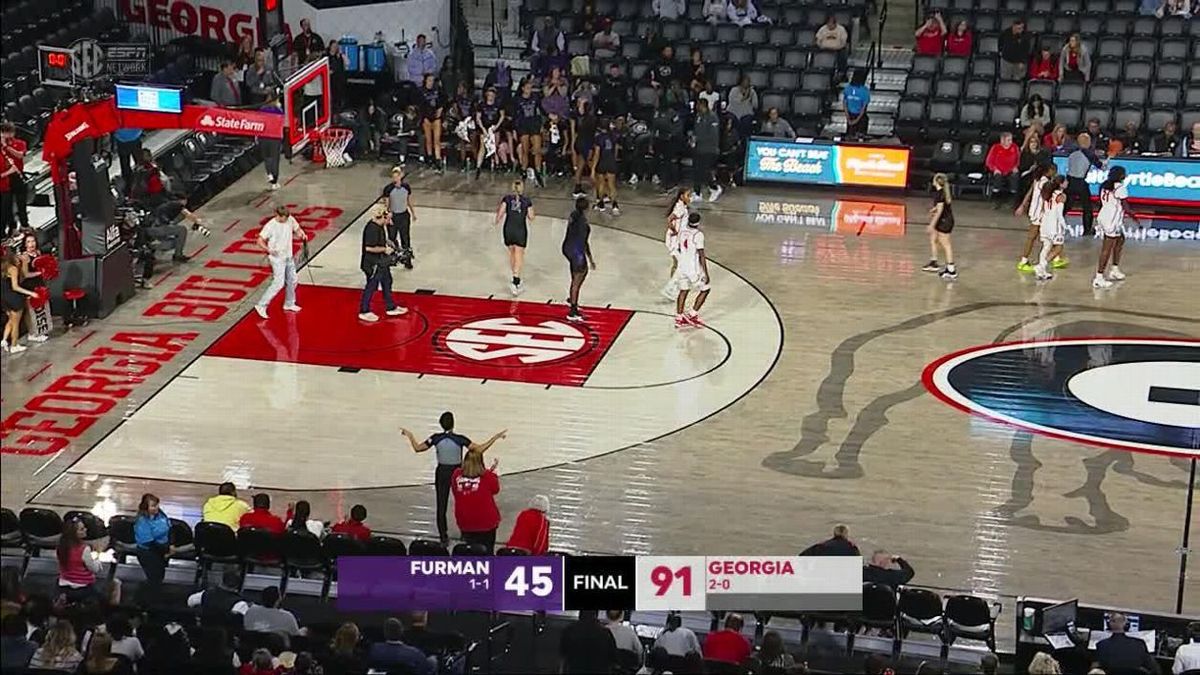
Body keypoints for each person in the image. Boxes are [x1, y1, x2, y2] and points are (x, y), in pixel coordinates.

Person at [401, 413, 506, 546]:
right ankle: (464, 532)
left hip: (442, 473)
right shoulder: (459, 439)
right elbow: (479, 449)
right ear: (453, 423)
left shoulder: (435, 438)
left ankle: (443, 536)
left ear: (440, 424)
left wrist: (410, 435)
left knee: (441, 505)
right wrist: (495, 437)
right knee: (463, 500)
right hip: (458, 472)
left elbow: (417, 448)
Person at [253, 205, 307, 319]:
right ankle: (261, 305)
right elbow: (259, 240)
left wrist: (302, 234)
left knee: (293, 280)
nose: (286, 220)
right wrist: (269, 250)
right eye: (284, 218)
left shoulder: (290, 219)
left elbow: (297, 229)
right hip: (277, 259)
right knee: (278, 283)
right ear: (278, 215)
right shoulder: (270, 225)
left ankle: (289, 303)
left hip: (288, 256)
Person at [359, 204, 408, 322]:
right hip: (372, 263)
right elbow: (369, 248)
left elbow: (380, 239)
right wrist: (384, 249)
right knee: (371, 286)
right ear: (383, 217)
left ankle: (390, 307)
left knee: (387, 281)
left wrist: (388, 242)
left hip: (381, 262)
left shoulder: (380, 226)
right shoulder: (372, 229)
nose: (390, 221)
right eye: (388, 219)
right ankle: (364, 310)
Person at [1094, 166, 1139, 290]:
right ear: (1120, 176)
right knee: (1106, 248)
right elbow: (1126, 207)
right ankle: (1099, 277)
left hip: (1104, 215)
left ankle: (1114, 269)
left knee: (1120, 239)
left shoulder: (1104, 186)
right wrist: (1135, 218)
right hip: (1111, 219)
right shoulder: (1120, 187)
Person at [450, 449, 502, 551]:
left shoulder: (456, 474)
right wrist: (492, 473)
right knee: (487, 551)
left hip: (465, 521)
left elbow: (455, 491)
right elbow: (495, 490)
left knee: (470, 549)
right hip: (487, 522)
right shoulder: (488, 476)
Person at [495, 180, 535, 296]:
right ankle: (515, 280)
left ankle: (515, 277)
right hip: (520, 230)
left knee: (512, 253)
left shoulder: (507, 199)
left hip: (508, 229)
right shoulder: (526, 201)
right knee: (519, 254)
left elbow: (500, 214)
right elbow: (531, 217)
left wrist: (496, 221)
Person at [1015, 161, 1057, 272]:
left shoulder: (1037, 180)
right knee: (1035, 237)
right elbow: (1044, 198)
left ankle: (1056, 257)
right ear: (1049, 171)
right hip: (1039, 213)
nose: (1055, 172)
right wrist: (1046, 213)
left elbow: (1029, 193)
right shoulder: (1045, 183)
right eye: (1054, 170)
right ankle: (1024, 260)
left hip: (1034, 211)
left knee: (1044, 236)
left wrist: (1022, 206)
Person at [133, 493, 174, 605]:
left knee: (159, 577)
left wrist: (171, 545)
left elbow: (170, 529)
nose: (156, 508)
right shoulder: (142, 521)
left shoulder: (161, 515)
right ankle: (143, 602)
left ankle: (153, 600)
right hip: (148, 553)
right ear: (145, 507)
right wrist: (165, 552)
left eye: (156, 505)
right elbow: (149, 541)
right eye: (152, 506)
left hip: (162, 551)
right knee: (154, 579)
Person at [672, 213, 711, 329]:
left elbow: (679, 247)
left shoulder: (682, 231)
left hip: (681, 267)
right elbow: (701, 255)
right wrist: (706, 272)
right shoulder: (698, 235)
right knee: (706, 289)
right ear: (698, 222)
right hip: (693, 270)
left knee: (683, 290)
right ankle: (693, 314)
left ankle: (679, 317)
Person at [562, 196, 596, 323]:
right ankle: (573, 310)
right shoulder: (583, 224)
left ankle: (572, 297)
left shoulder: (574, 215)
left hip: (567, 247)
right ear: (586, 208)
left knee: (575, 273)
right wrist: (589, 258)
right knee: (580, 274)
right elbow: (583, 242)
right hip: (576, 250)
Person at [56, 517, 105, 602]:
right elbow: (95, 569)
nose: (85, 530)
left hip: (63, 584)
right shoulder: (84, 549)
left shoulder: (61, 546)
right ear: (74, 533)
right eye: (82, 529)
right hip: (82, 587)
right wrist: (97, 555)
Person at [1065, 133, 1104, 236]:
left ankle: (1055, 223)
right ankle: (1087, 230)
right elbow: (1100, 166)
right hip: (1081, 182)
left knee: (1066, 206)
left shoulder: (1072, 152)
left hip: (1070, 180)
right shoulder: (1089, 154)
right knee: (1087, 207)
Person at [151, 192, 206, 263]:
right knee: (182, 230)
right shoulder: (177, 205)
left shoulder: (169, 205)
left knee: (174, 241)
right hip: (158, 227)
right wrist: (197, 222)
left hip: (156, 227)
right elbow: (188, 214)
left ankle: (151, 249)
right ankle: (178, 255)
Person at [1095, 613, 1159, 674]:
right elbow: (1154, 669)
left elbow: (1096, 668)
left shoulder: (1101, 645)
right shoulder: (1139, 644)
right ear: (1125, 623)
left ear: (1109, 624)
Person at [368, 618, 434, 675]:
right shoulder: (415, 654)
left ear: (385, 632)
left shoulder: (374, 650)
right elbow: (423, 670)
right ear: (401, 631)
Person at [559, 610, 617, 674]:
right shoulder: (605, 633)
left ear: (580, 614)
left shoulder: (569, 631)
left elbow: (563, 655)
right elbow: (613, 658)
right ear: (596, 615)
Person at [922, 174, 957, 280]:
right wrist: (934, 209)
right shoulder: (941, 193)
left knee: (946, 244)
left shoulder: (940, 194)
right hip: (945, 220)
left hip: (944, 221)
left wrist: (931, 225)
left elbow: (940, 210)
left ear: (936, 181)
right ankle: (935, 262)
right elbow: (940, 207)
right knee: (934, 239)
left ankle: (951, 270)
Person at [381, 166, 417, 270]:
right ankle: (393, 258)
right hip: (393, 216)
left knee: (405, 238)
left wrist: (413, 213)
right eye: (394, 177)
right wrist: (388, 217)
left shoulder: (406, 187)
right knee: (392, 238)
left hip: (404, 215)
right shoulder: (388, 189)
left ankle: (407, 260)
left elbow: (409, 201)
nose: (396, 179)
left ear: (401, 176)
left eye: (397, 176)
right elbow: (386, 205)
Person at [1, 251, 37, 354]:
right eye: (18, 258)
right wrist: (31, 293)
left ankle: (4, 340)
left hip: (4, 298)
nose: (19, 259)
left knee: (11, 320)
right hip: (14, 298)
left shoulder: (3, 268)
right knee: (16, 324)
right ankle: (14, 345)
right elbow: (15, 286)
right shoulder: (13, 269)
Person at [1034, 176, 1068, 282]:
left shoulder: (1048, 193)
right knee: (1058, 248)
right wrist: (1065, 226)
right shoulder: (1061, 196)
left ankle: (1041, 271)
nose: (1067, 183)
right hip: (1055, 225)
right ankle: (1041, 266)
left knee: (1046, 246)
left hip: (1045, 223)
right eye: (1066, 181)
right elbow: (1059, 214)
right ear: (1061, 184)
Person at [514, 80, 546, 187]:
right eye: (527, 87)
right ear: (522, 88)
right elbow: (515, 116)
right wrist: (516, 128)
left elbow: (541, 110)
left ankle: (538, 171)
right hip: (523, 125)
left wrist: (542, 124)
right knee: (525, 150)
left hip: (534, 124)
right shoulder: (517, 100)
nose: (529, 89)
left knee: (537, 149)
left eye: (530, 87)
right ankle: (523, 170)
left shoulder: (535, 98)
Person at [0, 122, 29, 236]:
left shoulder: (20, 143)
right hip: (6, 179)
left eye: (9, 132)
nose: (7, 135)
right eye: (4, 132)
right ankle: (12, 228)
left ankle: (24, 224)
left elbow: (20, 155)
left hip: (18, 175)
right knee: (7, 206)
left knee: (22, 203)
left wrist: (7, 147)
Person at [591, 118, 621, 215]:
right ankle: (615, 206)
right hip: (611, 162)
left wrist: (593, 168)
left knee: (601, 184)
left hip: (602, 162)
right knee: (612, 185)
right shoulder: (613, 136)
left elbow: (597, 154)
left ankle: (601, 204)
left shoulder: (598, 138)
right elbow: (616, 150)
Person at [474, 88, 506, 178]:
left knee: (494, 147)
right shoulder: (482, 105)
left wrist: (496, 126)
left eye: (492, 95)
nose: (490, 97)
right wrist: (483, 129)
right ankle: (478, 167)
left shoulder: (498, 105)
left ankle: (497, 164)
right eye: (489, 95)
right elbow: (478, 118)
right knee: (482, 147)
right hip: (484, 128)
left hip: (494, 129)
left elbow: (502, 116)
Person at [416, 74, 446, 171]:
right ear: (425, 81)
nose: (431, 82)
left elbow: (443, 100)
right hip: (427, 117)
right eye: (429, 80)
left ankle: (438, 159)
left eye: (432, 80)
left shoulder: (437, 90)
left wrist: (440, 110)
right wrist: (423, 116)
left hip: (436, 117)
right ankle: (429, 158)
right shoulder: (421, 91)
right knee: (428, 139)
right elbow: (420, 105)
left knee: (437, 140)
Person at [569, 98, 598, 199]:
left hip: (579, 142)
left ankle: (577, 188)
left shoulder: (580, 119)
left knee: (580, 166)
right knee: (593, 167)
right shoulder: (592, 119)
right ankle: (599, 192)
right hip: (587, 144)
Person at [985, 132, 1021, 206]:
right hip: (998, 170)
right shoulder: (995, 147)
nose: (1010, 142)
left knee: (1014, 177)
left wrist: (1016, 167)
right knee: (998, 178)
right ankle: (996, 199)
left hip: (1011, 170)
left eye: (1011, 140)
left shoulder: (1014, 147)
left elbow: (1018, 160)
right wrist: (995, 169)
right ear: (1002, 140)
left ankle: (1012, 199)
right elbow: (989, 161)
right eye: (1008, 140)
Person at [258, 96, 285, 190]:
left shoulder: (261, 110)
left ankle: (269, 174)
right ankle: (274, 181)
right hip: (274, 138)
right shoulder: (278, 111)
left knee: (267, 158)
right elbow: (283, 122)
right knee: (275, 159)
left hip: (263, 137)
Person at [843, 69, 871, 140]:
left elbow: (845, 105)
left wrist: (850, 119)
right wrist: (852, 120)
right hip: (856, 116)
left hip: (854, 116)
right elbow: (864, 108)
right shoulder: (865, 91)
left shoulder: (848, 88)